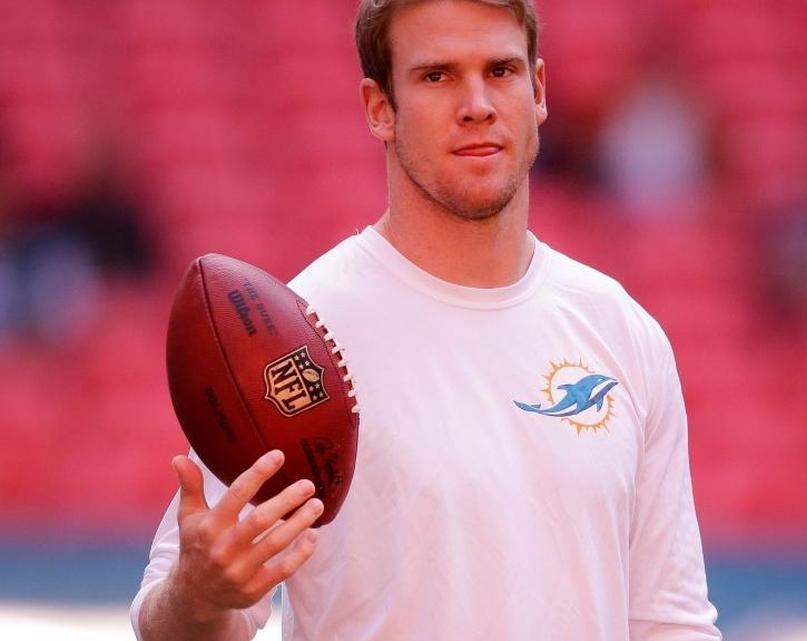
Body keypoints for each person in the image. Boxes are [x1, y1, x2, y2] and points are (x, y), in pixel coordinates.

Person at [131, 1, 722, 640]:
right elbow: (176, 624)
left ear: (539, 89)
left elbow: (670, 622)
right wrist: (199, 593)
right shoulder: (297, 338)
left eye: (500, 71)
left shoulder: (622, 333)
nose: (477, 104)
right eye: (436, 76)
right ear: (379, 107)